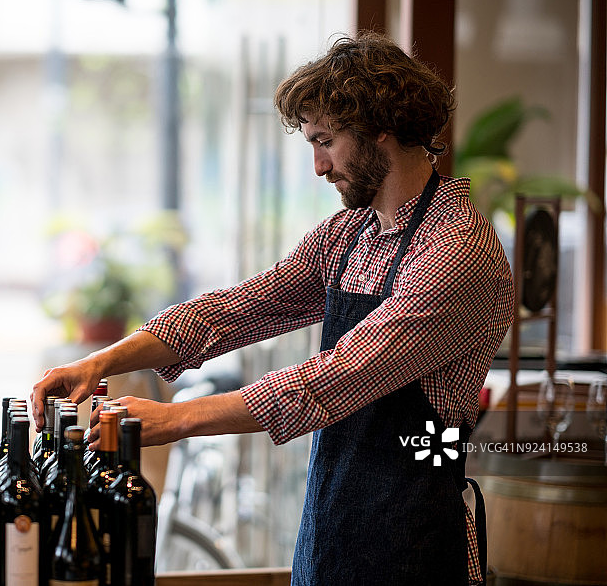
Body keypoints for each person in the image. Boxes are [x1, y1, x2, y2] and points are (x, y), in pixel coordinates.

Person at [32, 31, 514, 586]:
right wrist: (101, 363)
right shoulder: (350, 233)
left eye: (326, 141)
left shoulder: (457, 249)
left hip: (417, 542)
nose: (317, 166)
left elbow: (333, 380)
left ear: (381, 126)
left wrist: (179, 418)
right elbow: (236, 309)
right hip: (330, 529)